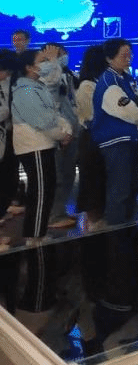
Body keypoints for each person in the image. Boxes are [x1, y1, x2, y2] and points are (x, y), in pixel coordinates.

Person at [11, 49, 72, 243]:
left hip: (44, 145)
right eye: (43, 60)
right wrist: (62, 135)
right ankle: (34, 236)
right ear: (29, 67)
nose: (48, 63)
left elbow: (54, 113)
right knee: (40, 192)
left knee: (47, 189)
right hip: (34, 147)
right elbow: (43, 121)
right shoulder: (25, 90)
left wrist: (65, 129)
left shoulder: (37, 86)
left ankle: (40, 232)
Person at [91, 39, 138, 227]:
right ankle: (116, 229)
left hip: (128, 140)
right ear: (109, 58)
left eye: (130, 54)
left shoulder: (125, 77)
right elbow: (129, 112)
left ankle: (126, 225)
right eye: (123, 55)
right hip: (115, 141)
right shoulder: (109, 82)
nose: (128, 58)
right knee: (120, 187)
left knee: (132, 184)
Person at [38, 43, 79, 229]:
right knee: (57, 177)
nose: (62, 57)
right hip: (56, 134)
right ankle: (54, 215)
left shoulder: (68, 75)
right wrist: (52, 62)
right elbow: (51, 91)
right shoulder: (45, 75)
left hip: (72, 130)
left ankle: (60, 211)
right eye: (57, 54)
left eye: (63, 54)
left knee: (68, 173)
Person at [75, 45, 109, 231]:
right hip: (92, 138)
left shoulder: (99, 82)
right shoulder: (87, 86)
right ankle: (93, 221)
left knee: (100, 179)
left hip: (101, 136)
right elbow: (93, 114)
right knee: (92, 180)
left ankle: (99, 219)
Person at [0, 50, 21, 242]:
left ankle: (3, 208)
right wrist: (7, 111)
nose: (6, 75)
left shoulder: (12, 81)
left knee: (9, 175)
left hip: (9, 136)